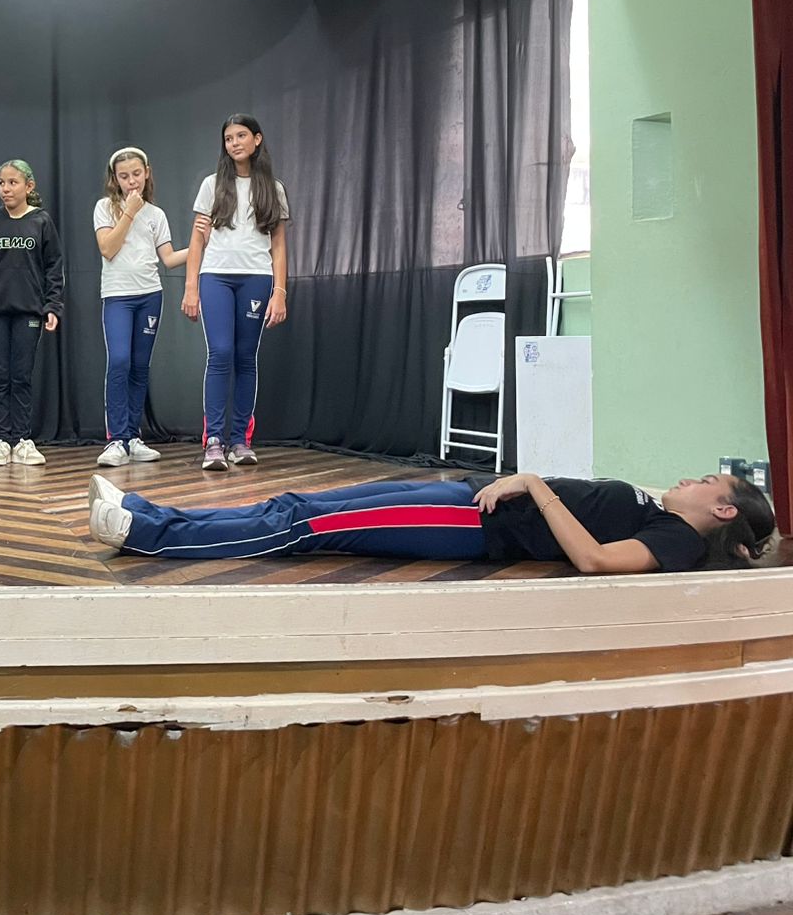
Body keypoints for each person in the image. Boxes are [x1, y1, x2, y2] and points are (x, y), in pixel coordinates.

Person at [85, 470, 777, 573]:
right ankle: (149, 514)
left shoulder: (678, 541)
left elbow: (594, 560)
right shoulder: (666, 513)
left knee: (304, 525)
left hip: (476, 525)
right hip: (467, 494)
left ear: (722, 509)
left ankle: (144, 536)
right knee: (299, 506)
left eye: (708, 481)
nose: (691, 478)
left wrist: (533, 484)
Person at [182, 114, 290, 472]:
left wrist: (279, 292)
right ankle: (214, 440)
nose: (234, 143)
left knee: (246, 356)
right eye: (228, 138)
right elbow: (197, 241)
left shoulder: (273, 189)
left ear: (257, 139)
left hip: (256, 279)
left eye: (241, 136)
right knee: (221, 353)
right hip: (216, 277)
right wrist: (191, 287)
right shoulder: (212, 185)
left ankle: (240, 440)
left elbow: (278, 246)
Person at [92, 147, 188, 467]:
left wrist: (202, 245)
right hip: (118, 295)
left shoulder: (156, 215)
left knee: (140, 365)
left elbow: (169, 258)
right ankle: (116, 439)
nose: (131, 181)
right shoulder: (105, 208)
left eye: (136, 174)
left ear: (147, 173)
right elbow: (108, 248)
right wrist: (129, 212)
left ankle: (133, 438)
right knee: (119, 361)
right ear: (115, 179)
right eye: (124, 176)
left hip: (150, 296)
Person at [0, 160, 64, 466]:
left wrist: (52, 306)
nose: (6, 189)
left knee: (22, 375)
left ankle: (23, 440)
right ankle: (1, 439)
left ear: (29, 186)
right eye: (1, 183)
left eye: (13, 182)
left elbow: (53, 267)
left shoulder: (41, 221)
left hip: (29, 311)